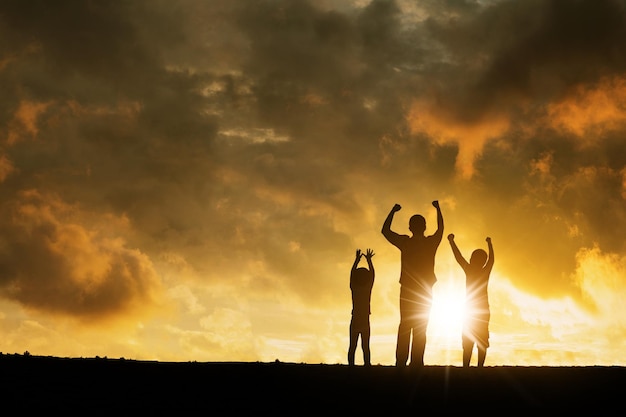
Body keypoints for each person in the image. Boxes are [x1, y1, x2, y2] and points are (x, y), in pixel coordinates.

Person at [381, 201, 443, 369]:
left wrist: (393, 211)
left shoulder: (407, 242)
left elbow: (385, 231)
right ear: (424, 227)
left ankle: (404, 362)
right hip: (421, 290)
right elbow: (441, 230)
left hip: (412, 290)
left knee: (407, 326)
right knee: (418, 327)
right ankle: (415, 362)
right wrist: (438, 209)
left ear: (410, 227)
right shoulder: (427, 243)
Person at [447, 234, 494, 368]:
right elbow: (459, 257)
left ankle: (472, 367)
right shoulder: (475, 270)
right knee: (472, 340)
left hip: (476, 310)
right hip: (473, 310)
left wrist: (451, 241)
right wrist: (451, 242)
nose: (472, 260)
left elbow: (459, 257)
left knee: (478, 340)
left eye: (475, 258)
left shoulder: (478, 271)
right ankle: (472, 367)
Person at [348, 248, 375, 367]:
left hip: (356, 319)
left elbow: (352, 275)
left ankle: (352, 366)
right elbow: (372, 275)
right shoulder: (366, 289)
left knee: (353, 345)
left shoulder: (355, 288)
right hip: (364, 319)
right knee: (365, 346)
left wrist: (357, 260)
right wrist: (369, 261)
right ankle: (367, 365)